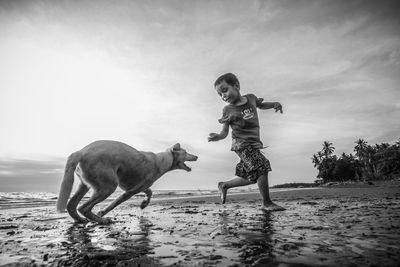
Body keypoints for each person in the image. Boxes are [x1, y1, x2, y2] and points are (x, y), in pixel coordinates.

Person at [208, 73, 285, 211]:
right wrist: (218, 137)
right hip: (241, 145)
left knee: (253, 176)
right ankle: (267, 203)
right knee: (262, 166)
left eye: (225, 90)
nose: (223, 96)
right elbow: (224, 132)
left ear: (236, 86)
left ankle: (224, 185)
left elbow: (261, 105)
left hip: (253, 145)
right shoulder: (227, 110)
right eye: (220, 94)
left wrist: (274, 104)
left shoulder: (251, 98)